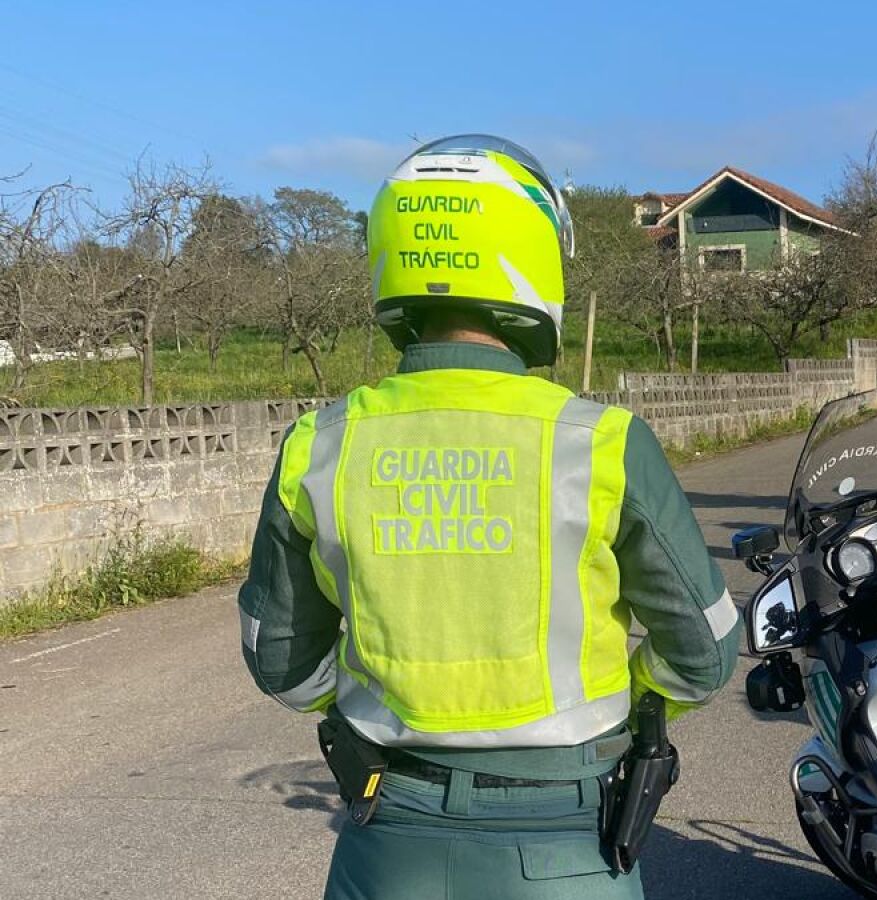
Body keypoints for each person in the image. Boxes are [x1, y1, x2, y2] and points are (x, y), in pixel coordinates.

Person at [237, 134, 739, 899]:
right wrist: (634, 696)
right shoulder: (599, 442)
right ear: (532, 255)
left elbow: (282, 663)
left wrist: (377, 699)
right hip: (567, 840)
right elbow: (703, 653)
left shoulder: (321, 444)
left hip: (390, 832)